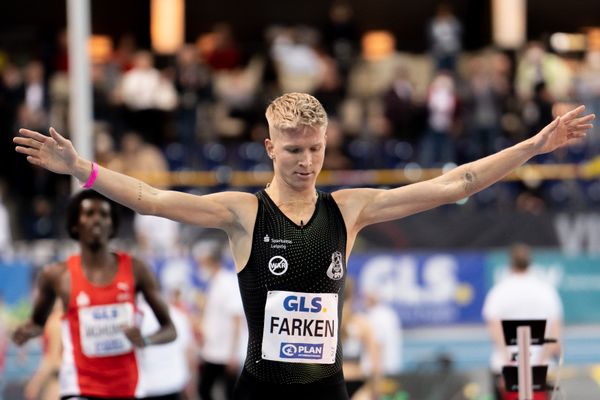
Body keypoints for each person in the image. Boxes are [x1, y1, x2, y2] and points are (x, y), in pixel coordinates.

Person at [13, 92, 593, 400]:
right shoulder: (242, 213)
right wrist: (80, 168)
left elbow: (456, 183)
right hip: (259, 389)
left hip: (327, 389)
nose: (306, 162)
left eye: (315, 149)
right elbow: (149, 197)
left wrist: (533, 147)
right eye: (293, 150)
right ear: (269, 147)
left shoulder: (349, 208)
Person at [12, 190, 177, 400]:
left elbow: (170, 330)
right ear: (74, 224)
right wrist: (25, 331)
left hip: (128, 388)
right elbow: (37, 323)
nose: (97, 219)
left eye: (104, 214)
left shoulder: (137, 270)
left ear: (113, 225)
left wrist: (145, 339)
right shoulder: (57, 275)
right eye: (89, 213)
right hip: (79, 389)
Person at [482, 243, 563, 400]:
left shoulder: (499, 291)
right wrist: (540, 362)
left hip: (505, 368)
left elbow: (494, 329)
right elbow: (555, 335)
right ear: (530, 263)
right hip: (541, 368)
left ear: (510, 263)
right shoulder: (547, 291)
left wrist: (509, 361)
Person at [194, 241, 245, 400]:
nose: (199, 266)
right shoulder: (214, 282)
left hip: (226, 353)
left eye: (202, 262)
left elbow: (237, 318)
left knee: (230, 393)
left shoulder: (227, 283)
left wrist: (233, 354)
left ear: (210, 261)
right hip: (213, 350)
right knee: (204, 389)